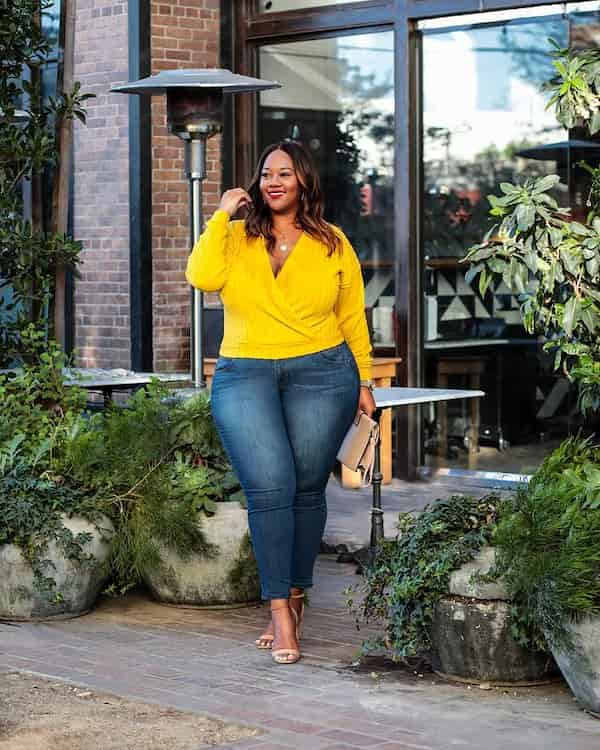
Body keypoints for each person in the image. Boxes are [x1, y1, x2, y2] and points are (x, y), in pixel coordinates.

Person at [185, 141, 375, 665]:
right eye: (266, 173)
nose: (274, 181)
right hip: (245, 372)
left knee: (306, 489)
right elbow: (201, 277)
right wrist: (221, 214)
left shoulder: (332, 242)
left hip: (322, 371)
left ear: (302, 182)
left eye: (284, 173)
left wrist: (363, 381)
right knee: (270, 489)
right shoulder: (236, 237)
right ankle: (280, 613)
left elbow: (352, 315)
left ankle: (295, 591)